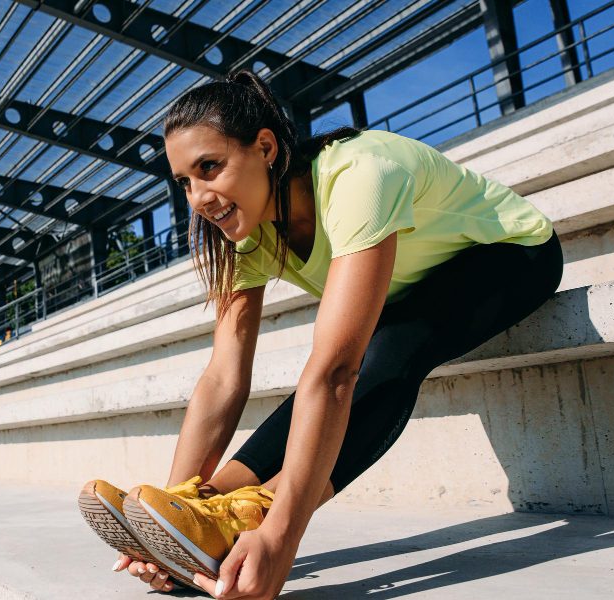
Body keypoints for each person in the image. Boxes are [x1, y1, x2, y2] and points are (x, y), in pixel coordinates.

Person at [80, 68, 563, 598]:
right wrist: (172, 514)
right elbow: (222, 378)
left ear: (265, 147)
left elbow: (336, 372)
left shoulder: (359, 175)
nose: (197, 198)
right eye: (185, 182)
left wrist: (280, 539)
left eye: (209, 168)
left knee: (376, 353)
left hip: (512, 256)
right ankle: (209, 510)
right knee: (354, 360)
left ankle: (250, 513)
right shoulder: (246, 238)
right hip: (411, 294)